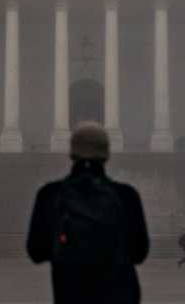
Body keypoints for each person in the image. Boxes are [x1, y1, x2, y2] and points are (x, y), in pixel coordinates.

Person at [27, 121, 149, 304]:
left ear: (71, 152)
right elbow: (139, 253)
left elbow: (36, 252)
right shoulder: (126, 196)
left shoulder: (50, 195)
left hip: (71, 295)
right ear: (107, 154)